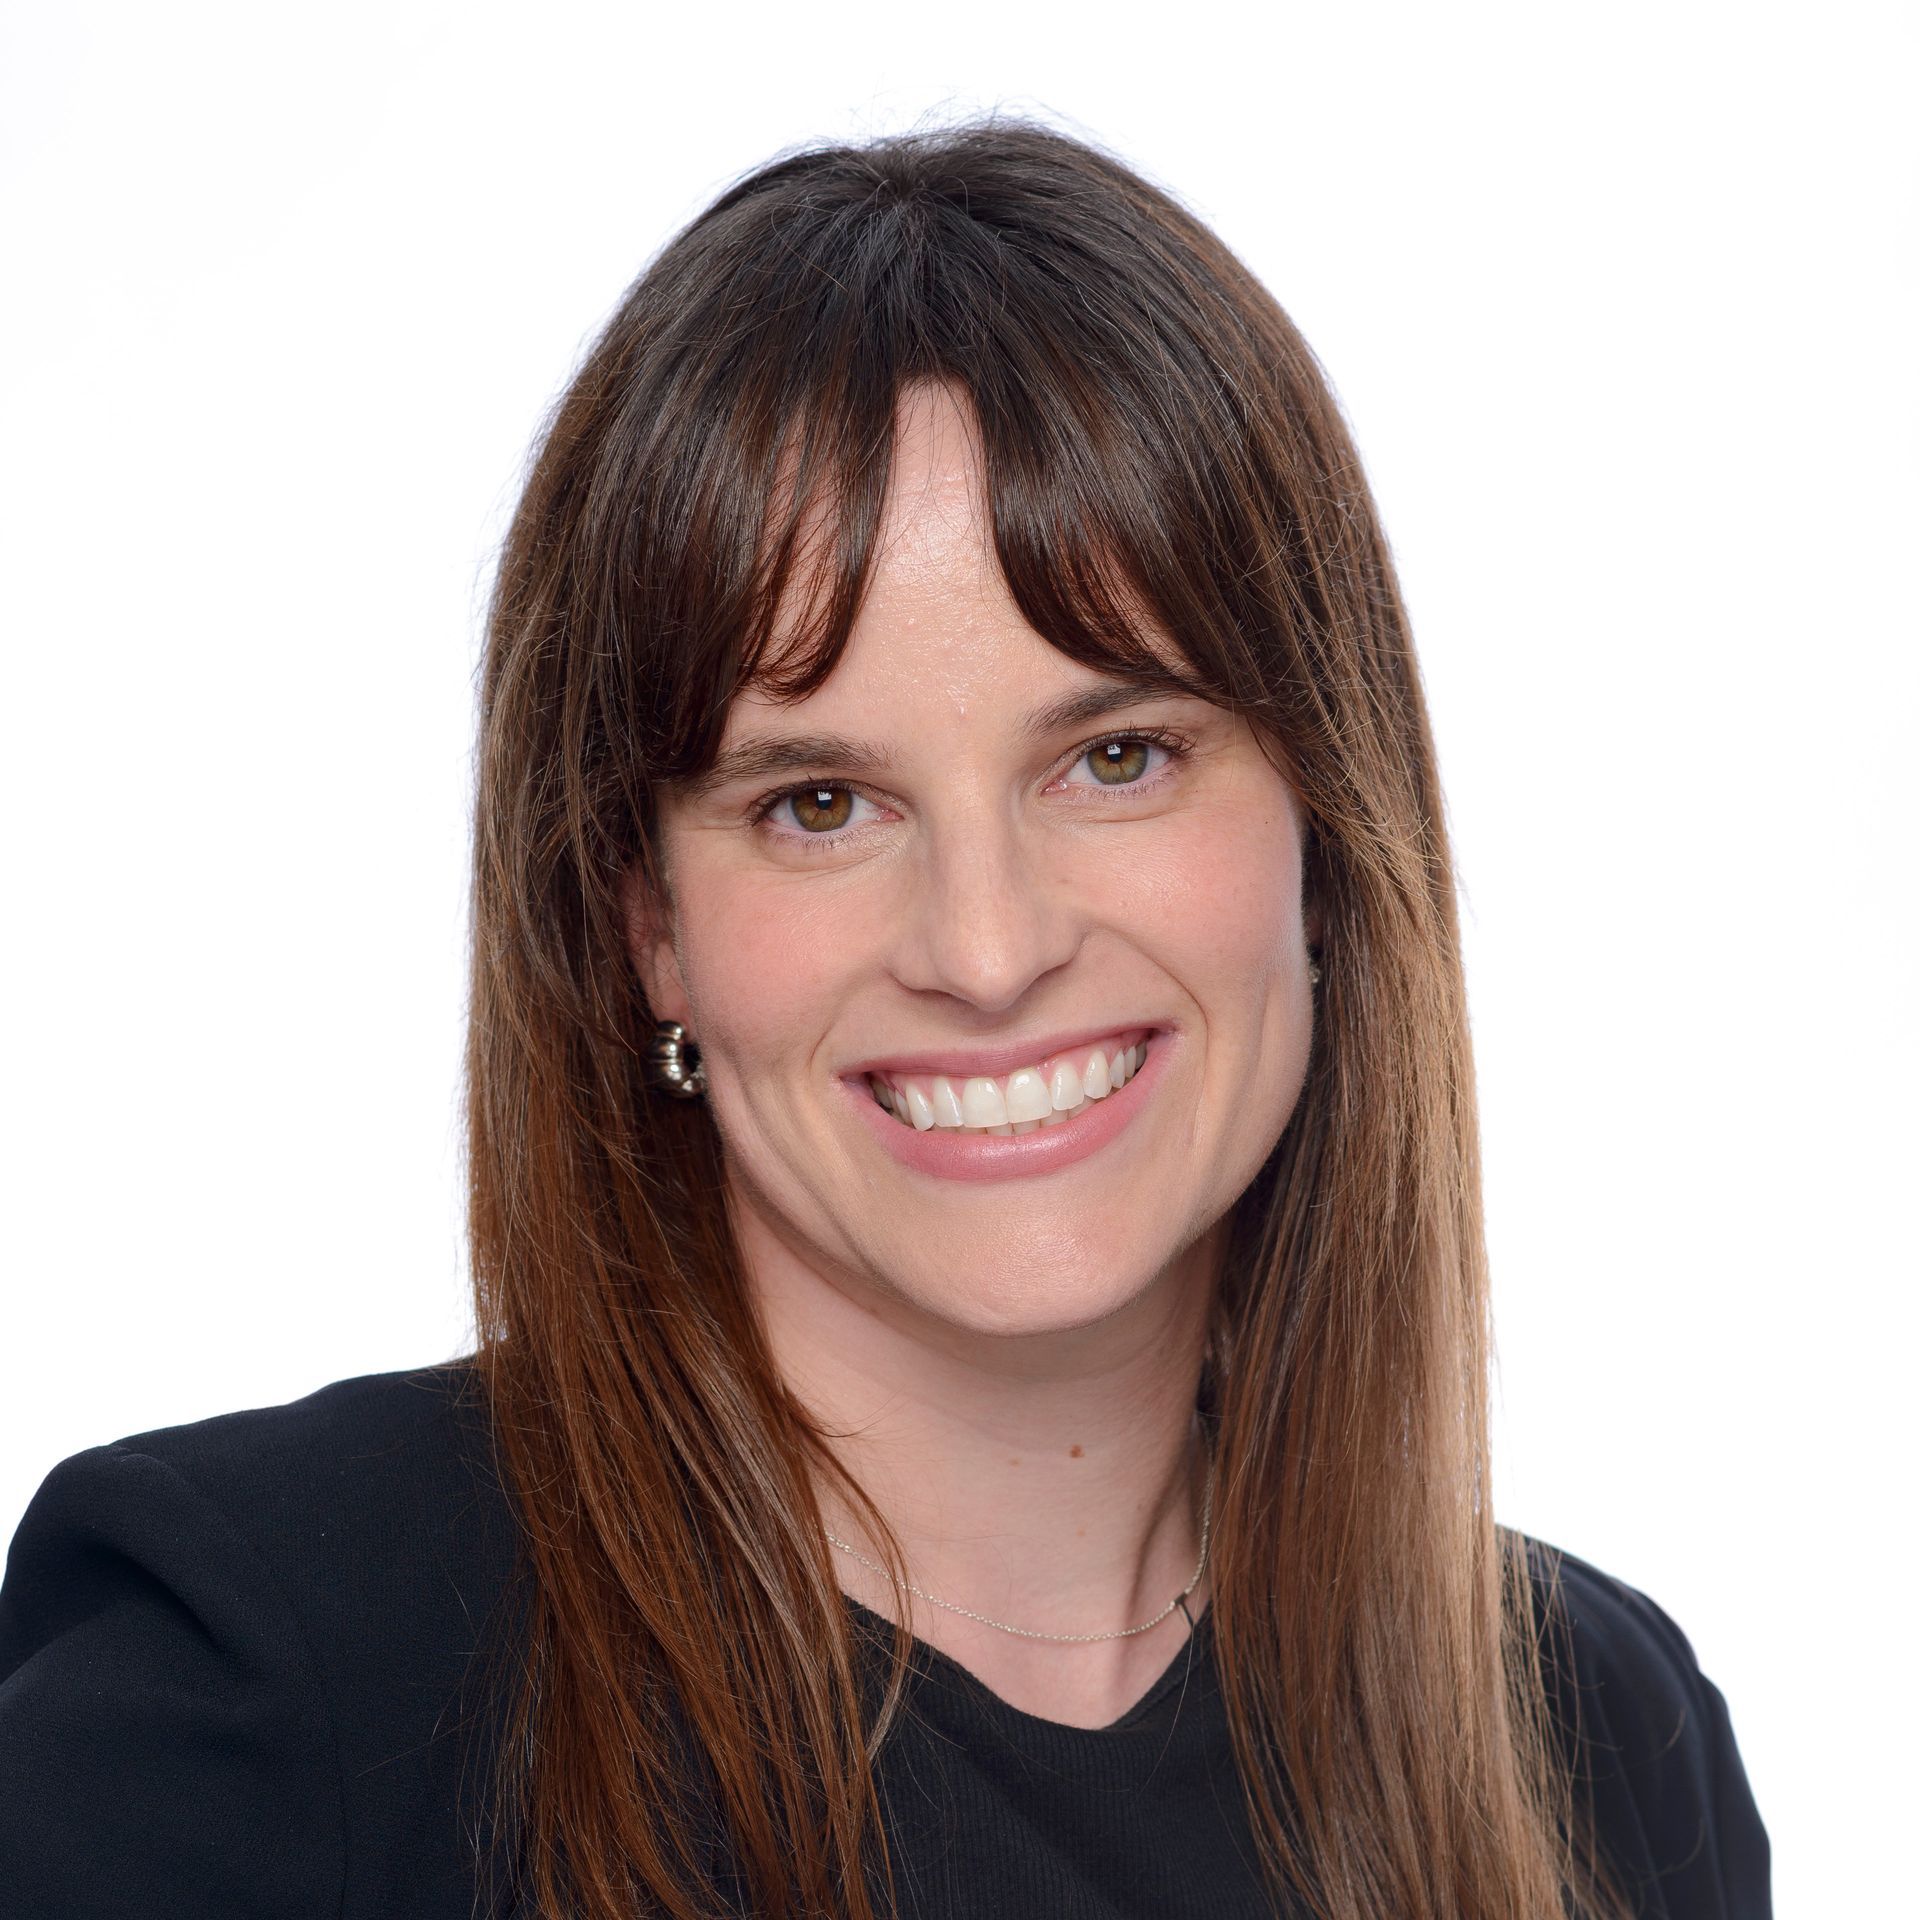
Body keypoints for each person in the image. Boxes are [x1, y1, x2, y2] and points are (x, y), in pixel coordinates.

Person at [0, 119, 1770, 1920]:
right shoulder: (263, 1686)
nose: (986, 949)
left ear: (1325, 827)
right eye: (819, 803)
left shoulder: (1606, 1753)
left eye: (1117, 757)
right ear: (649, 928)